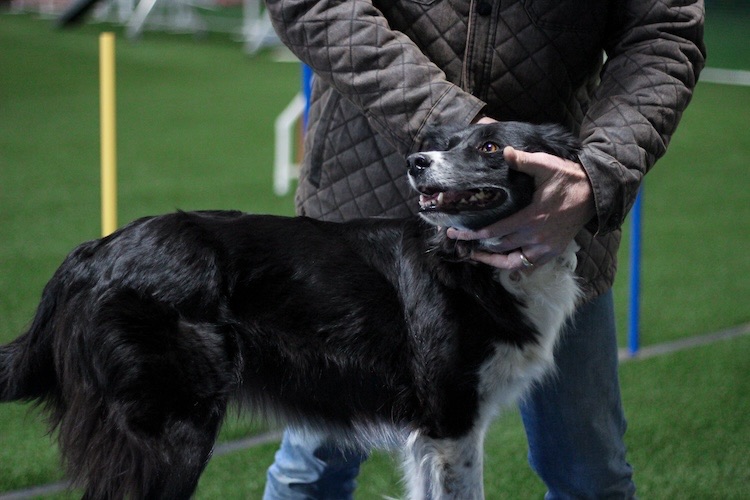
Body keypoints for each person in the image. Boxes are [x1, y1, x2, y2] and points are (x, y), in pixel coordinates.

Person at [262, 1, 706, 498]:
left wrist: (596, 172)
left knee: (591, 474)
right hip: (363, 218)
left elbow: (664, 33)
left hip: (554, 221)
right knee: (315, 466)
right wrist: (463, 133)